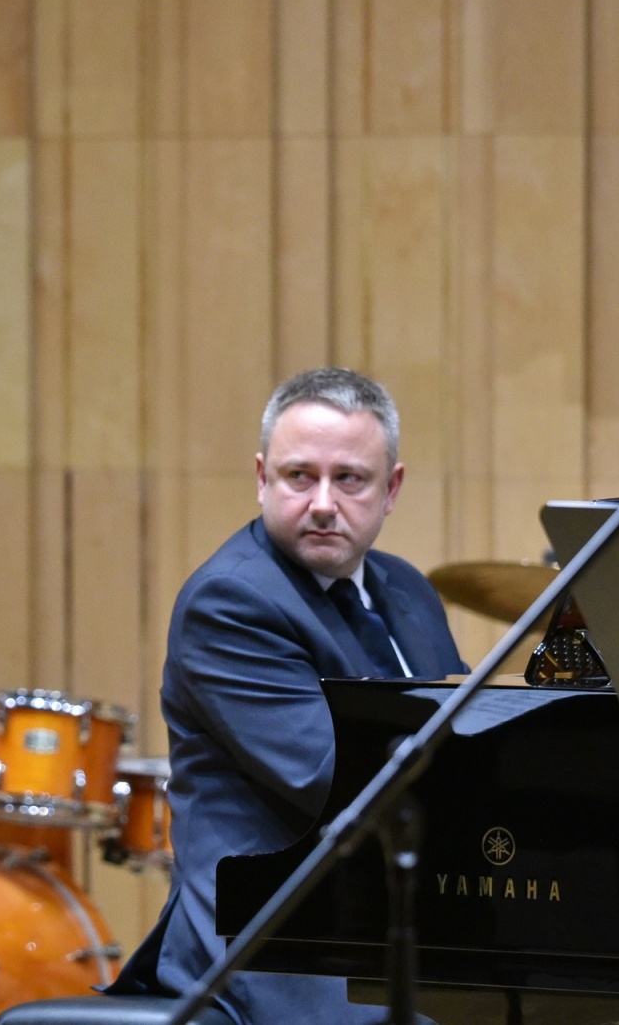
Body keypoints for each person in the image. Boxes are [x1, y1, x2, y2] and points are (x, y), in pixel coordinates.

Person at [108, 367, 463, 1024]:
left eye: (349, 479)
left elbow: (466, 731)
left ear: (392, 489)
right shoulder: (232, 602)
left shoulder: (405, 589)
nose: (323, 502)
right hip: (279, 937)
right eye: (299, 476)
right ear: (262, 477)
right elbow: (345, 783)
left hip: (391, 913)